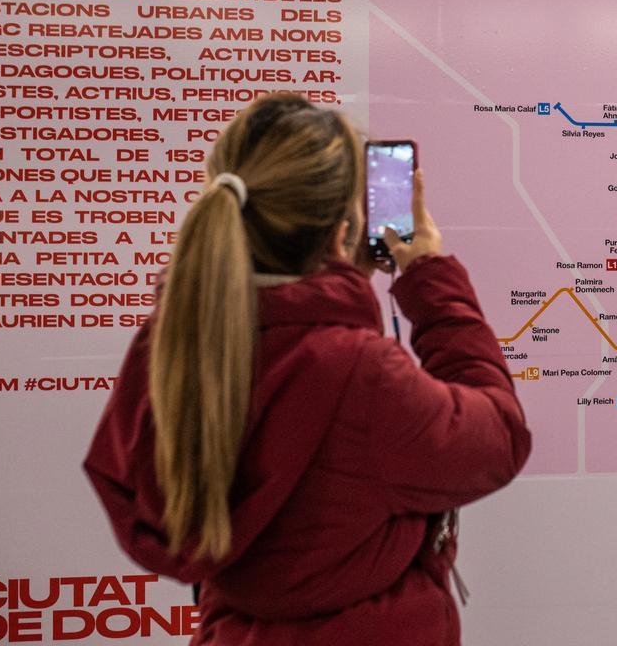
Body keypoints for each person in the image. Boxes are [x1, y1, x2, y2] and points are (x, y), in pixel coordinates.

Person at [83, 92, 532, 645]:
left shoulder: (171, 347)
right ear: (343, 230)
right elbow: (499, 438)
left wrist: (339, 279)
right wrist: (430, 278)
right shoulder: (358, 373)